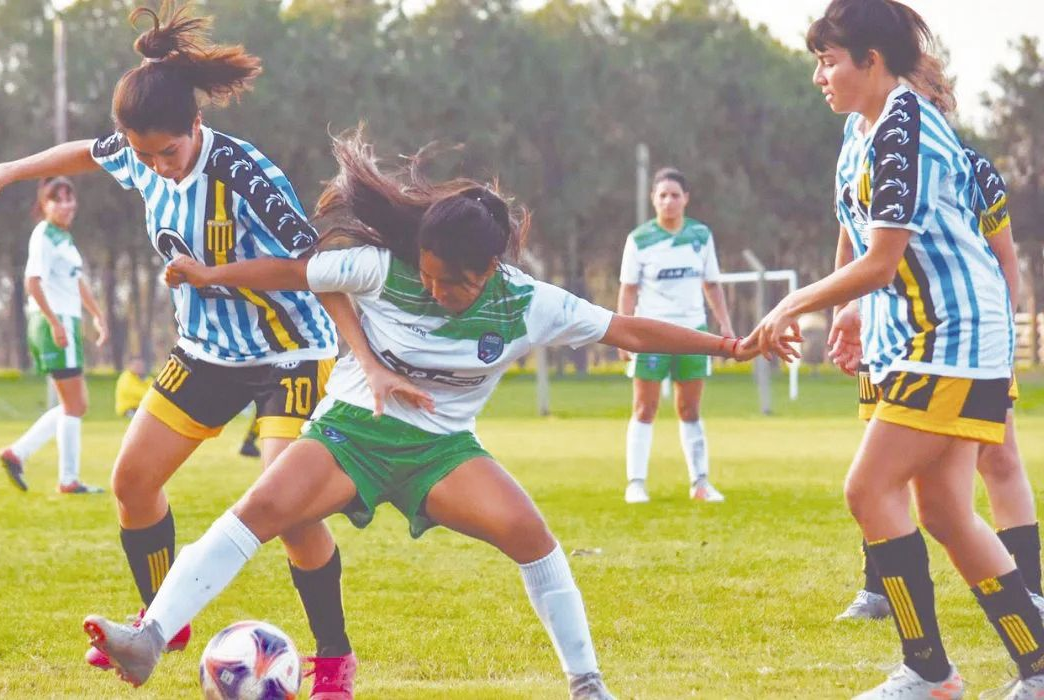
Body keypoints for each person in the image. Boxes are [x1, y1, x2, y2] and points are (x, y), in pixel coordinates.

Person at [80, 129, 782, 699]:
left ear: (493, 270)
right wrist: (209, 277)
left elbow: (628, 330)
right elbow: (296, 271)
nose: (442, 290)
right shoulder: (384, 268)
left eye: (459, 283)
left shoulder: (526, 302)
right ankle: (149, 638)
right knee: (259, 510)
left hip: (441, 452)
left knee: (533, 537)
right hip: (350, 431)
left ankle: (588, 684)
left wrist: (729, 343)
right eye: (434, 275)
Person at [0, 3, 359, 695]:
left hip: (291, 351)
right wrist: (0, 171)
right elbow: (82, 152)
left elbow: (314, 267)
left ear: (196, 127)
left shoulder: (244, 172)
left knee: (289, 511)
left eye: (168, 152)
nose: (157, 168)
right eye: (143, 155)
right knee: (133, 482)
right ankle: (161, 622)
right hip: (206, 351)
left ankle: (333, 660)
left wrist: (218, 278)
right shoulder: (137, 157)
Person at [754, 1, 1044, 696]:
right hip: (924, 342)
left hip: (953, 340)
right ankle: (1038, 668)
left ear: (872, 62)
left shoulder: (905, 127)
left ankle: (930, 674)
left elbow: (883, 261)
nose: (820, 77)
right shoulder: (863, 127)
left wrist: (795, 301)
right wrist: (849, 308)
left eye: (829, 62)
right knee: (944, 511)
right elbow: (860, 242)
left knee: (868, 487)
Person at [833, 145, 1042, 623]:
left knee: (998, 455)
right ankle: (878, 590)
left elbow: (1004, 260)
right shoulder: (859, 156)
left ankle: (1028, 589)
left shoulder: (968, 167)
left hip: (959, 340)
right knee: (884, 461)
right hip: (887, 336)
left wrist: (1001, 342)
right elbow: (850, 244)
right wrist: (849, 308)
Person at [617, 168, 734, 504]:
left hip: (692, 333)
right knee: (644, 407)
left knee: (690, 408)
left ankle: (700, 483)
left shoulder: (700, 235)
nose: (669, 201)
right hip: (650, 333)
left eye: (675, 195)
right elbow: (628, 290)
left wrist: (723, 325)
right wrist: (624, 334)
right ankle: (636, 483)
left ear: (686, 199)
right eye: (662, 195)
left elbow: (711, 284)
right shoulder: (639, 239)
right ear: (653, 199)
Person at [0, 177, 107, 495]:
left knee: (73, 404)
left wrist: (98, 314)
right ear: (44, 205)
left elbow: (77, 282)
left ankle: (17, 453)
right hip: (54, 322)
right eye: (57, 199)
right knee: (75, 405)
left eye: (70, 198)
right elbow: (33, 281)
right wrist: (55, 323)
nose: (66, 205)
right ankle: (68, 479)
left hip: (66, 321)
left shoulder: (64, 238)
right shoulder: (44, 235)